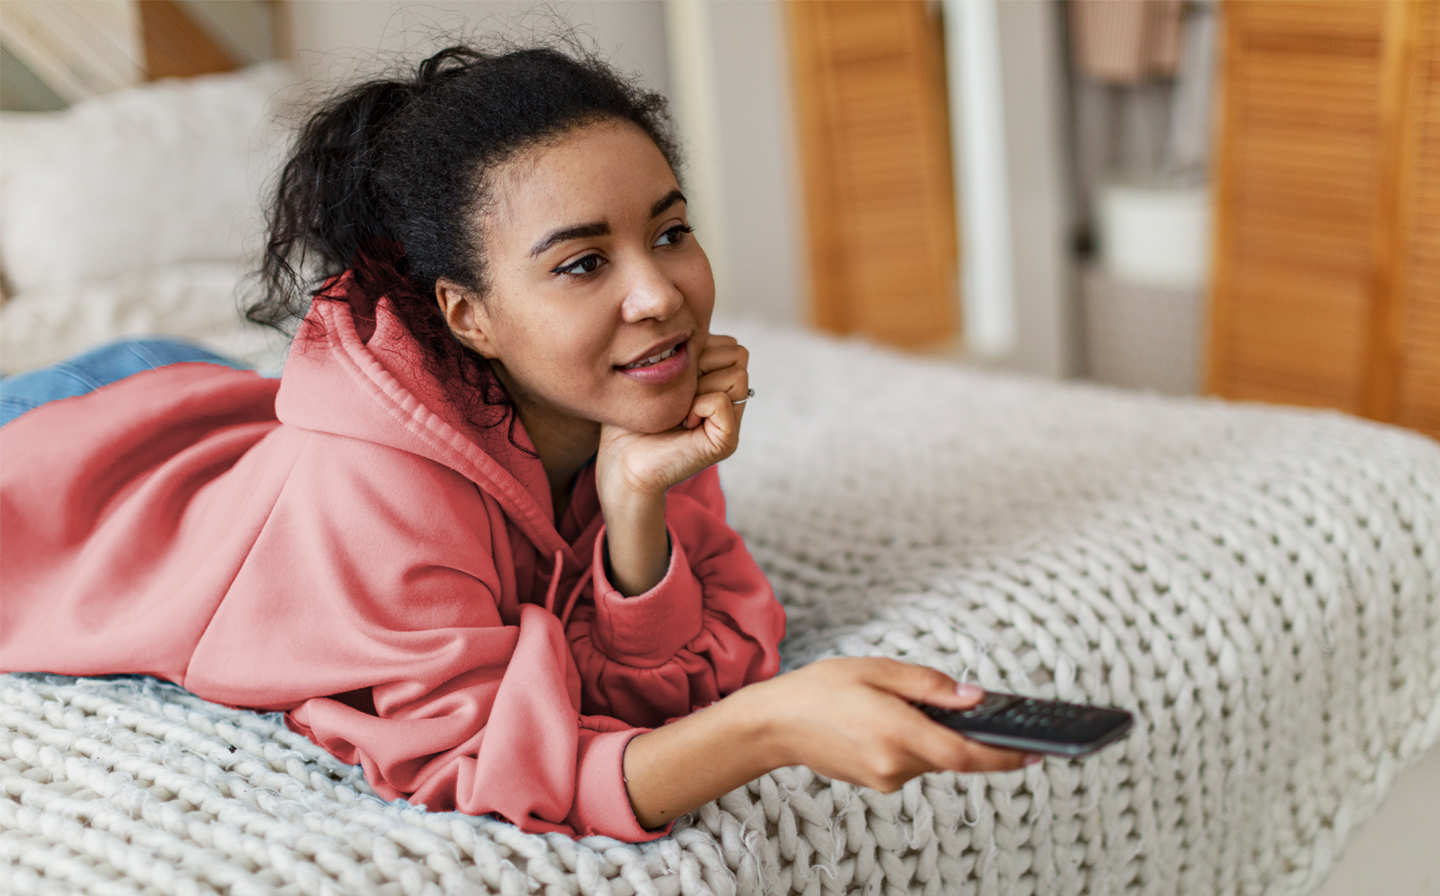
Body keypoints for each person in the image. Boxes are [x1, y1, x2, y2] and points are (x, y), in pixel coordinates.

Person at [0, 44, 1030, 842]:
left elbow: (666, 676)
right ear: (468, 314)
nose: (660, 293)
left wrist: (634, 508)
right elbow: (488, 759)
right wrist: (769, 728)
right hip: (54, 463)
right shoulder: (380, 485)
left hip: (197, 401)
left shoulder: (627, 390)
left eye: (669, 230)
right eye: (584, 263)